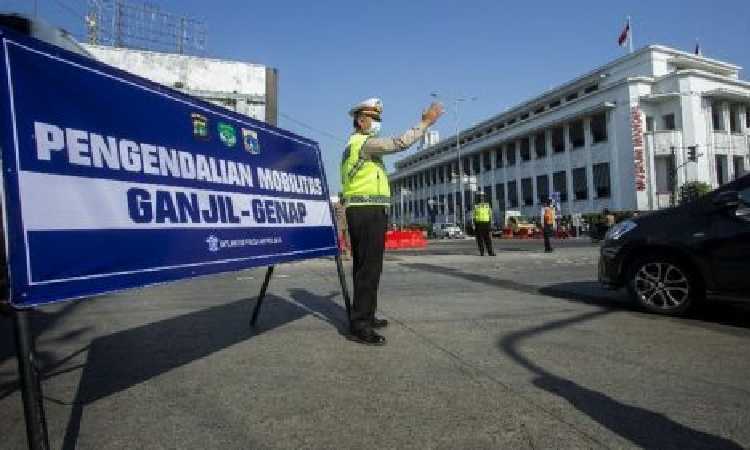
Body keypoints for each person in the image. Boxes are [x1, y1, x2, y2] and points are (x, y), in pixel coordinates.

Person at [341, 98, 443, 345]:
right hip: (367, 211)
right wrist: (426, 122)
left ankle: (365, 314)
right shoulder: (365, 144)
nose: (377, 123)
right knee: (369, 269)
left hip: (363, 210)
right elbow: (400, 143)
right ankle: (361, 325)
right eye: (373, 119)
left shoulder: (354, 146)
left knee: (365, 267)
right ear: (360, 120)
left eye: (378, 119)